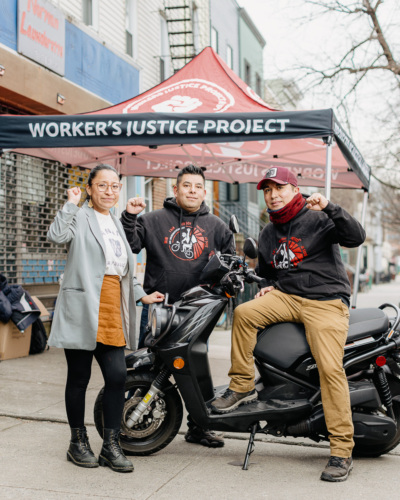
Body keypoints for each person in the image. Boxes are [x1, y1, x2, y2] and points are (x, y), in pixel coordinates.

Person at [211, 166, 366, 482]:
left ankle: (341, 451)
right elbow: (271, 271)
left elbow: (356, 237)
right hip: (289, 297)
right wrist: (269, 284)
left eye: (279, 187)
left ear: (295, 189)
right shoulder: (268, 232)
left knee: (329, 369)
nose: (272, 194)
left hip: (326, 300)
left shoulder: (318, 216)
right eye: (267, 190)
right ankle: (241, 384)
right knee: (245, 314)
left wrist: (331, 208)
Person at [47, 164, 164, 473]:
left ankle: (110, 447)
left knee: (116, 376)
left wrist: (141, 294)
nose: (109, 191)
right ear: (89, 188)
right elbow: (56, 235)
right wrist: (70, 204)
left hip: (112, 303)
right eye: (102, 186)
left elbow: (122, 267)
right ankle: (77, 442)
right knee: (79, 377)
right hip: (83, 304)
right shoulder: (80, 215)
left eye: (114, 186)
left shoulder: (115, 221)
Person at [120, 164, 235, 449]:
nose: (192, 191)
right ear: (176, 189)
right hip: (161, 307)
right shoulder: (153, 220)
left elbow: (231, 263)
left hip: (198, 312)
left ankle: (199, 427)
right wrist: (129, 216)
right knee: (151, 363)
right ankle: (133, 411)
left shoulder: (218, 227)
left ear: (204, 191)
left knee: (196, 366)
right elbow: (130, 245)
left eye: (197, 187)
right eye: (186, 186)